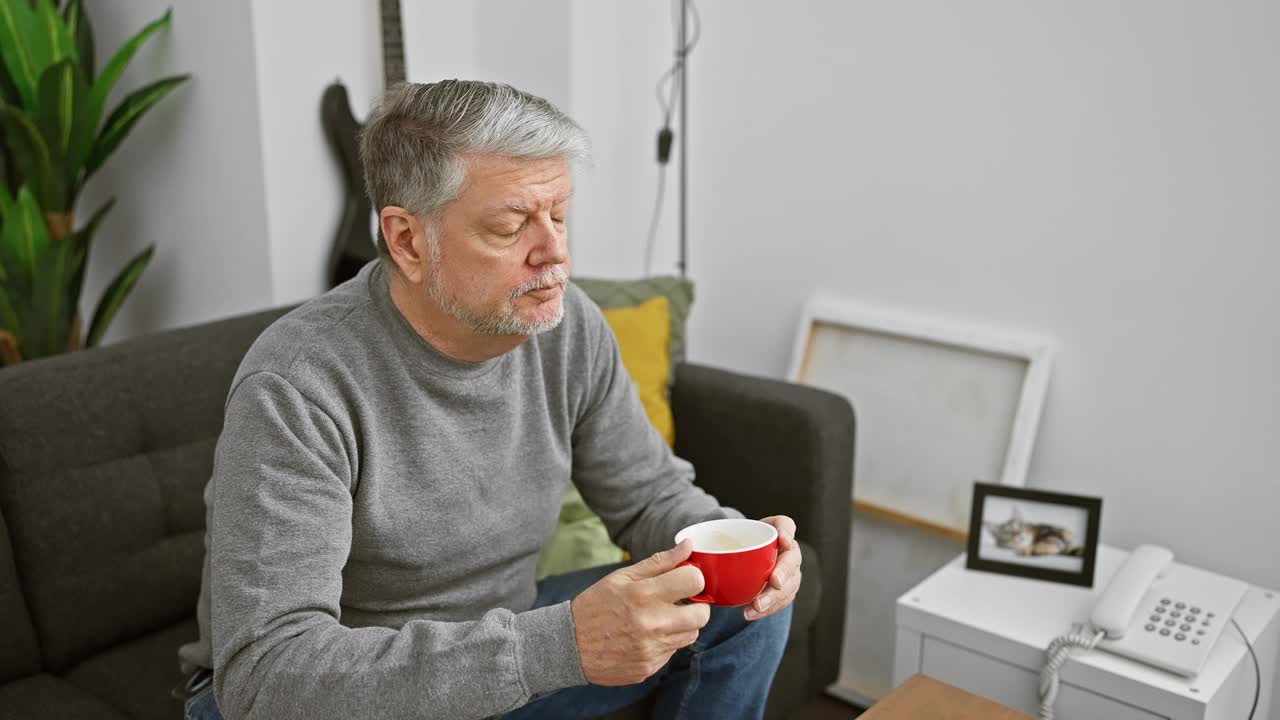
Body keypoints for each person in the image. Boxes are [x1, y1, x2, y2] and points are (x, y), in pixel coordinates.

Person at [176, 79, 802, 720]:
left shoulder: (568, 328)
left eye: (559, 214)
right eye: (511, 226)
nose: (555, 252)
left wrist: (738, 549)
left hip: (502, 641)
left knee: (742, 612)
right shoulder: (298, 384)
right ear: (409, 242)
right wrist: (554, 648)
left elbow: (648, 496)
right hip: (344, 685)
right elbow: (267, 677)